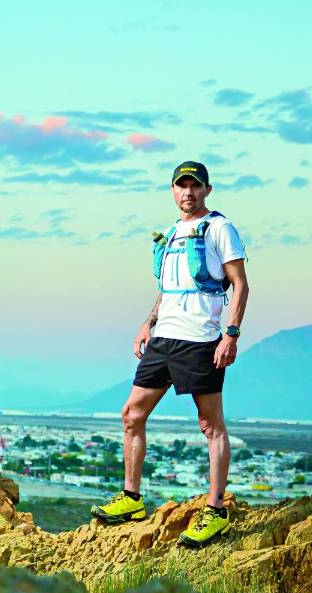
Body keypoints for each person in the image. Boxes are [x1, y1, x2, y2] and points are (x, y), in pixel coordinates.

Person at [90, 161, 250, 547]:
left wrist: (231, 334)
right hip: (164, 338)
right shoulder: (174, 232)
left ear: (207, 190)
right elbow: (168, 287)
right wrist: (148, 322)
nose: (188, 193)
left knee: (210, 425)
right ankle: (131, 499)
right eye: (181, 186)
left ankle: (215, 510)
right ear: (173, 190)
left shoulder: (219, 228)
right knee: (132, 414)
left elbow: (241, 285)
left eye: (195, 186)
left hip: (201, 340)